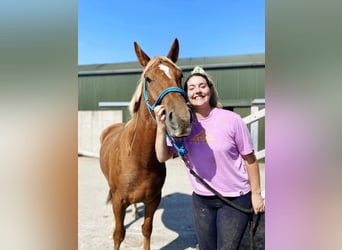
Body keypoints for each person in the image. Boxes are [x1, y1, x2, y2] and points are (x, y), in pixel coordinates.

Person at [154, 66, 265, 250]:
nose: (197, 91)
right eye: (191, 88)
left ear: (210, 90)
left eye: (202, 86)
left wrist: (256, 194)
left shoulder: (232, 120)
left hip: (235, 199)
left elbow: (250, 159)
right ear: (186, 94)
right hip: (202, 200)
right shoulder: (183, 124)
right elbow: (162, 157)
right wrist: (160, 127)